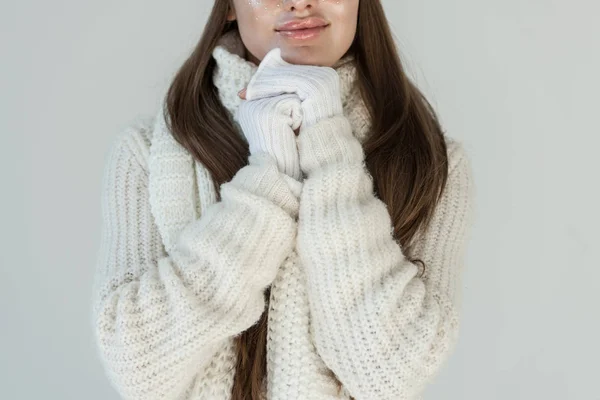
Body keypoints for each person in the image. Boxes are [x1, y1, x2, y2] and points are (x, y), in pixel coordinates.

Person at [90, 0, 476, 399]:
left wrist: (328, 146)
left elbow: (391, 375)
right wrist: (268, 179)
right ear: (229, 8)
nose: (300, 2)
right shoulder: (145, 154)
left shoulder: (432, 162)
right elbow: (136, 366)